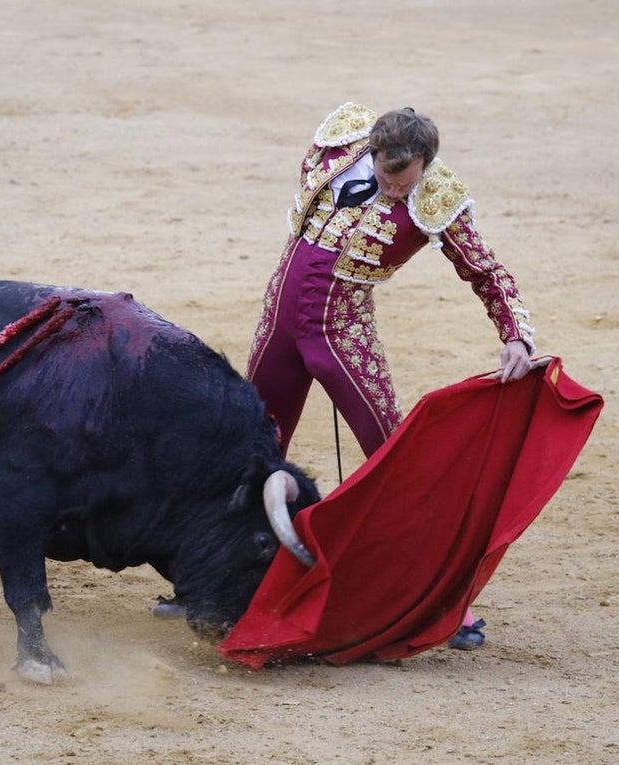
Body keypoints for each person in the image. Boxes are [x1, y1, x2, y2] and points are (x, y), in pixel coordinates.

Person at [155, 103, 535, 651]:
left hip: (341, 334)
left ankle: (447, 603)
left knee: (394, 458)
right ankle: (205, 581)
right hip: (279, 324)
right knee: (247, 451)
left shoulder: (437, 199)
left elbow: (484, 269)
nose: (394, 191)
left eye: (405, 183)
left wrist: (515, 334)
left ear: (425, 165)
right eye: (386, 177)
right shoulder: (339, 146)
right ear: (372, 152)